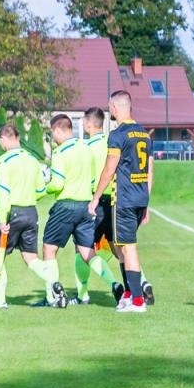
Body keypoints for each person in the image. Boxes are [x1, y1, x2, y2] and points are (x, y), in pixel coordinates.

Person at [88, 91, 154, 312]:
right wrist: (146, 201)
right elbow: (149, 170)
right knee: (121, 246)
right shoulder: (144, 134)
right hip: (139, 197)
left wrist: (96, 197)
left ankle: (137, 300)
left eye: (111, 109)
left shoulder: (118, 135)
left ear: (115, 108)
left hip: (124, 199)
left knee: (128, 248)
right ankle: (128, 293)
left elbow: (109, 168)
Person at [0, 125, 49, 309]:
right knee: (31, 258)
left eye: (0, 141)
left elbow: (3, 194)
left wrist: (3, 219)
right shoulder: (32, 160)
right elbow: (42, 191)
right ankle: (54, 283)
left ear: (4, 138)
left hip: (12, 213)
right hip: (31, 212)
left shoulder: (4, 161)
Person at [37, 114, 101, 307]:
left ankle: (52, 297)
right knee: (88, 252)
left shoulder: (60, 152)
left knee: (49, 249)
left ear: (57, 130)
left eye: (51, 133)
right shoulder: (86, 148)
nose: (52, 137)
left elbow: (57, 184)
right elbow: (91, 180)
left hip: (65, 206)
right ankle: (114, 284)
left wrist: (43, 187)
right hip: (85, 205)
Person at [79, 107, 123, 300]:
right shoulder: (112, 142)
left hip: (95, 202)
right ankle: (143, 283)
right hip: (115, 200)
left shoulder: (86, 148)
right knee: (121, 247)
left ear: (89, 123)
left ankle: (84, 293)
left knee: (83, 247)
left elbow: (86, 178)